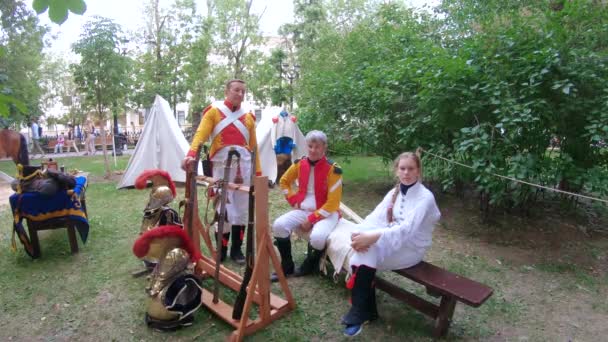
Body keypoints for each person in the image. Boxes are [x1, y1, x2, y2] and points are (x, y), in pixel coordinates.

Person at [340, 151, 441, 337]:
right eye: (402, 168)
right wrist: (359, 233)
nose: (406, 173)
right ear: (396, 170)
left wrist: (373, 237)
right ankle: (363, 311)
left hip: (412, 249)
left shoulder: (425, 198)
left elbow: (406, 230)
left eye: (411, 168)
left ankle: (361, 311)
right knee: (363, 252)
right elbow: (375, 217)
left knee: (365, 253)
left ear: (418, 171)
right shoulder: (394, 192)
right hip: (391, 240)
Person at [181, 79, 261, 265]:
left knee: (241, 209)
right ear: (227, 91)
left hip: (244, 168)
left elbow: (254, 146)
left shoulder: (248, 116)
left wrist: (257, 172)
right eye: (236, 90)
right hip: (221, 167)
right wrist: (191, 154)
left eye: (243, 91)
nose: (240, 94)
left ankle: (237, 250)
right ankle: (221, 249)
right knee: (222, 209)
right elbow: (200, 135)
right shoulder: (214, 112)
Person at [270, 130, 343, 282]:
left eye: (317, 147)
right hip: (303, 209)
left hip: (326, 213)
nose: (313, 150)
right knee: (279, 225)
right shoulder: (299, 164)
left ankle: (308, 267)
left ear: (324, 148)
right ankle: (287, 266)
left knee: (317, 237)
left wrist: (311, 219)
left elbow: (333, 203)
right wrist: (292, 199)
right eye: (310, 146)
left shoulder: (334, 170)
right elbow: (284, 181)